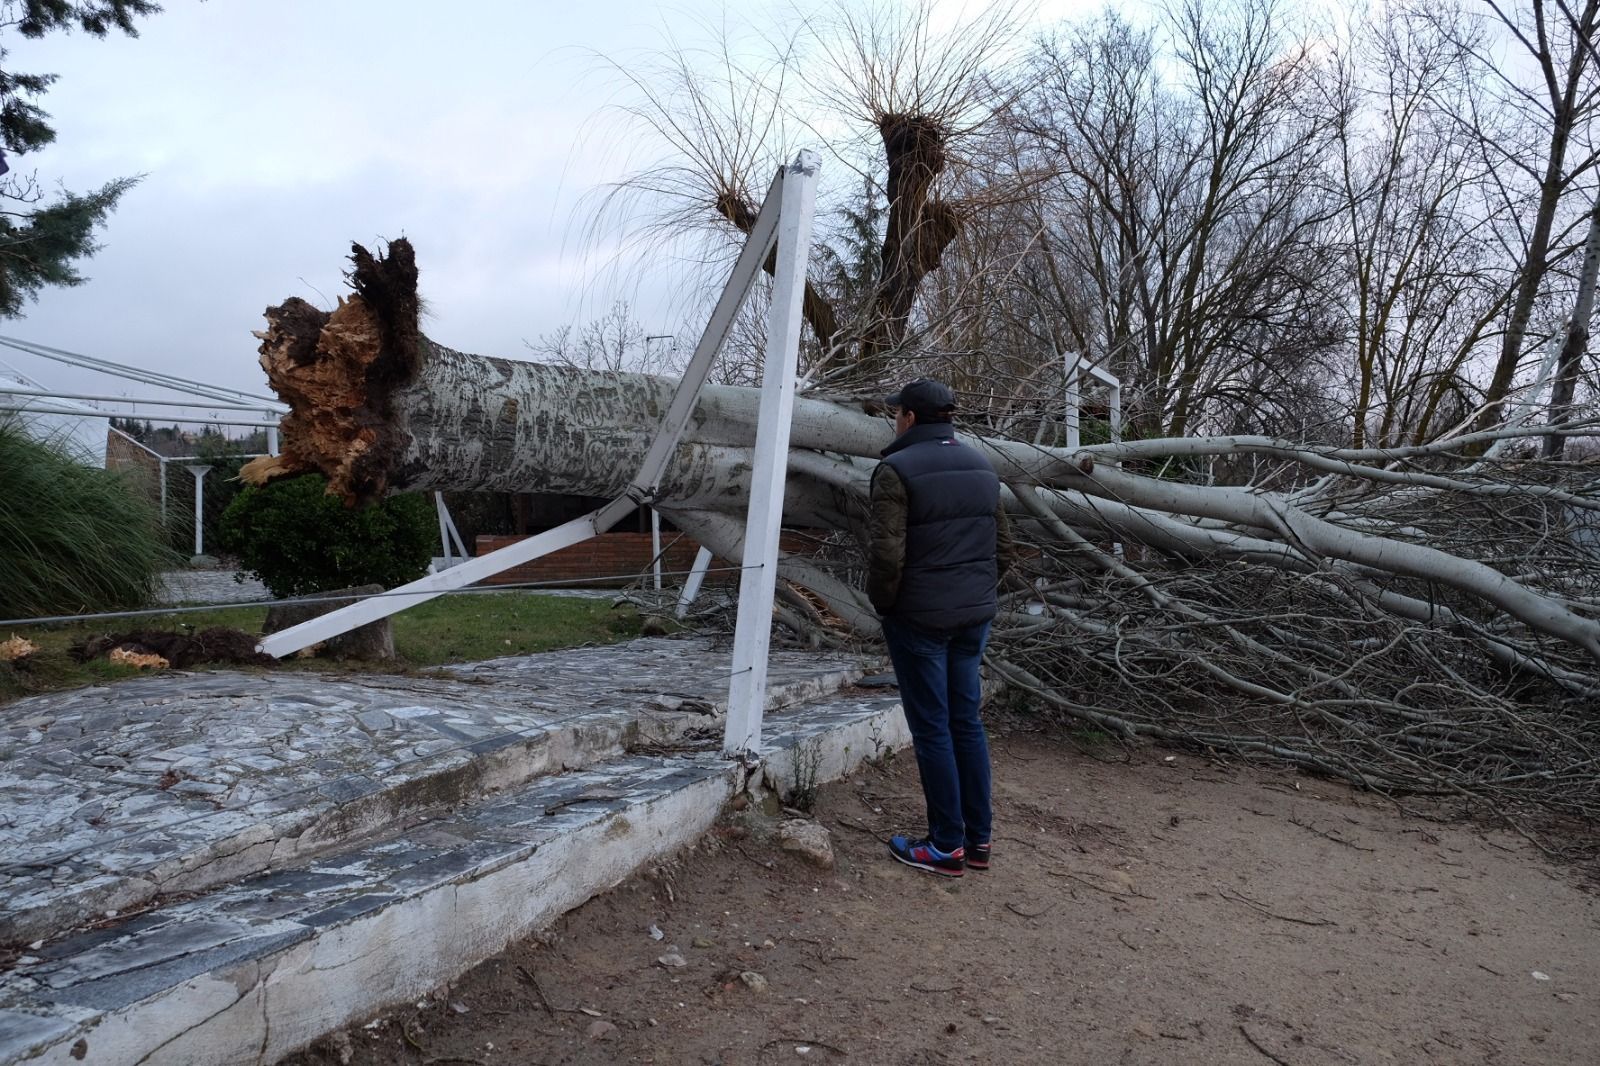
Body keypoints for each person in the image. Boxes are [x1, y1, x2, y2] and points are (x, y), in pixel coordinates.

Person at [868, 376, 1014, 877]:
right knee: (966, 722)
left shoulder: (895, 469)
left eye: (897, 412)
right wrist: (976, 594)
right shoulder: (982, 466)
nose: (894, 419)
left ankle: (945, 845)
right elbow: (1006, 550)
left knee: (932, 728)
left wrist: (888, 607)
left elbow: (887, 556)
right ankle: (978, 842)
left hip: (920, 619)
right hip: (974, 618)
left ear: (909, 417)